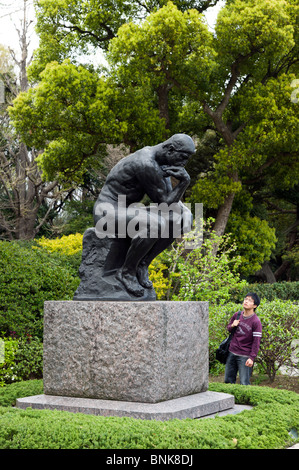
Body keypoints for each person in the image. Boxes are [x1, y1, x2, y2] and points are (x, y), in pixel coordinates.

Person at [93, 134, 195, 297]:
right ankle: (126, 272)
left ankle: (143, 264)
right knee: (154, 224)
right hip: (107, 211)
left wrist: (187, 215)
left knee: (181, 220)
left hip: (129, 210)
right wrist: (184, 182)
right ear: (170, 149)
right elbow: (164, 204)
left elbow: (171, 201)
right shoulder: (146, 162)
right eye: (183, 157)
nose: (184, 163)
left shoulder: (163, 162)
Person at [224, 292, 262, 385]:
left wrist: (252, 358)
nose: (246, 301)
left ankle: (243, 400)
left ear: (255, 305)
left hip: (244, 356)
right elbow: (228, 328)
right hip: (231, 352)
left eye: (250, 300)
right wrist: (233, 325)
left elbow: (256, 342)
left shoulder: (256, 321)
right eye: (245, 299)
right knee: (228, 381)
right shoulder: (237, 315)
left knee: (244, 383)